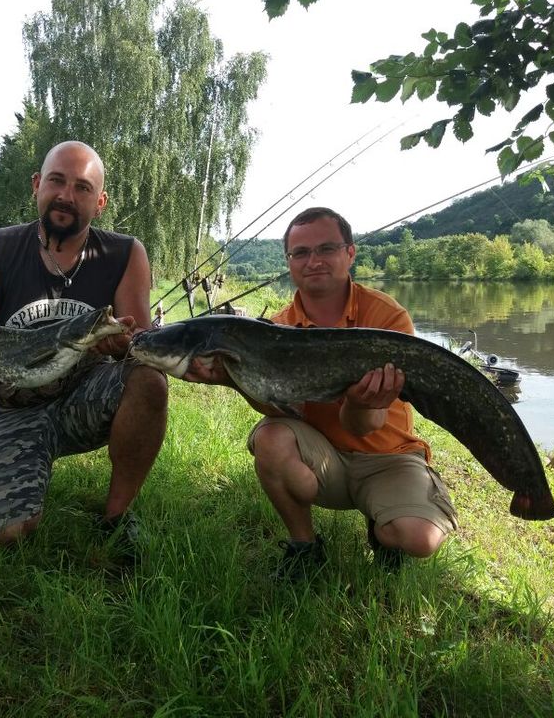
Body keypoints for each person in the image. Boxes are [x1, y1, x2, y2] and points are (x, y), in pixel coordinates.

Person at [186, 206, 458, 580]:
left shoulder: (386, 318)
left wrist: (361, 401)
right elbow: (282, 407)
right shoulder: (278, 328)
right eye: (300, 253)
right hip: (324, 458)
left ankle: (387, 525)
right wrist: (233, 380)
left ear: (350, 253)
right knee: (271, 436)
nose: (312, 261)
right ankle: (304, 547)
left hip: (387, 457)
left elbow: (365, 425)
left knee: (417, 539)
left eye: (326, 249)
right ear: (289, 262)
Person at [0, 140, 168, 551]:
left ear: (100, 202)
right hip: (7, 409)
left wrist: (122, 345)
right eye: (57, 181)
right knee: (7, 538)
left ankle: (116, 518)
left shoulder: (126, 253)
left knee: (150, 379)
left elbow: (139, 346)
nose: (66, 195)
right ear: (37, 184)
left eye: (82, 187)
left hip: (84, 399)